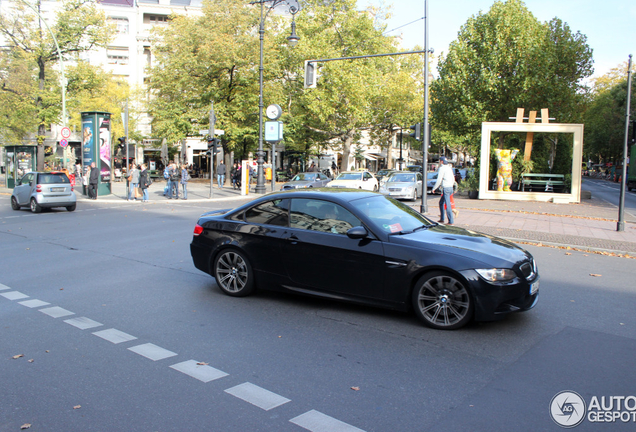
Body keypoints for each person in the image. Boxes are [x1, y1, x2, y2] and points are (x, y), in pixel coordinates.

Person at [431, 156, 455, 225]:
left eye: (439, 161)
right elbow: (453, 178)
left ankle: (451, 221)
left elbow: (439, 180)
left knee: (447, 205)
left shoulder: (442, 168)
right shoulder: (449, 168)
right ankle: (442, 218)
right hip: (450, 187)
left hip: (446, 188)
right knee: (441, 202)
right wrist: (452, 185)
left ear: (441, 161)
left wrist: (434, 188)